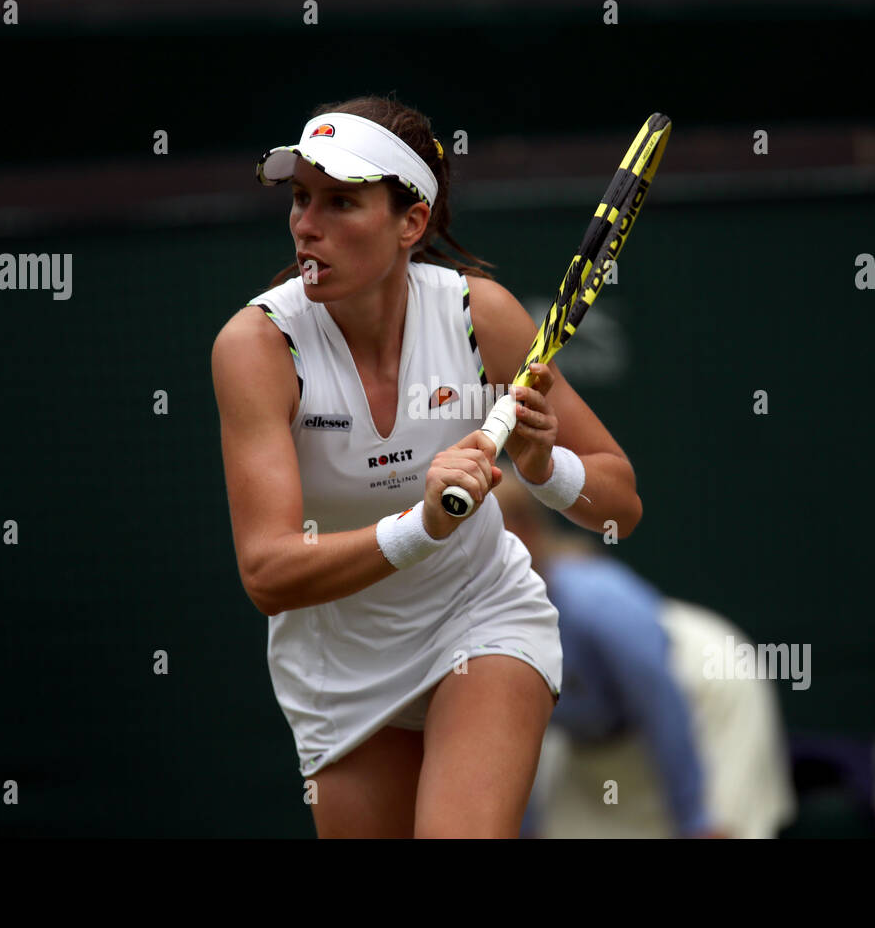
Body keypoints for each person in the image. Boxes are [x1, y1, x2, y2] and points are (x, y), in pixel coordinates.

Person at [211, 95, 642, 838]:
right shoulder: (256, 346)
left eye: (341, 202)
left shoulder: (486, 317)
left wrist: (543, 466)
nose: (307, 225)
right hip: (337, 668)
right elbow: (267, 574)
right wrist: (422, 524)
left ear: (410, 222)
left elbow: (619, 508)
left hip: (479, 618)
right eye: (301, 198)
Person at [493, 466, 796, 839]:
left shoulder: (594, 600)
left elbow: (658, 697)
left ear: (525, 531)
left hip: (705, 694)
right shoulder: (473, 624)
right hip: (599, 741)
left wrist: (696, 820)